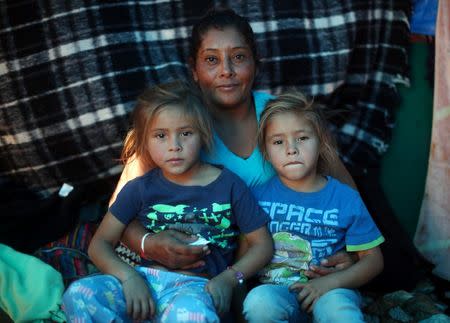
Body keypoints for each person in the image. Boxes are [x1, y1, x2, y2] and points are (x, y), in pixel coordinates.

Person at [114, 6, 356, 279]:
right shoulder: (177, 125)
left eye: (238, 57)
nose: (226, 71)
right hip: (200, 271)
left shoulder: (282, 117)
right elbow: (119, 212)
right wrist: (149, 244)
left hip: (284, 269)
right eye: (211, 60)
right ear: (194, 69)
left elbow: (347, 196)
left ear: (256, 63)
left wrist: (351, 250)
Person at [62, 81, 274, 322]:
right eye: (161, 136)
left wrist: (230, 278)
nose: (174, 146)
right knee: (79, 294)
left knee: (193, 317)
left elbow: (262, 245)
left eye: (185, 133)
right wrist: (129, 278)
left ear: (203, 134)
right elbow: (99, 243)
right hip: (140, 283)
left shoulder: (229, 186)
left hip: (195, 289)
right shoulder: (140, 188)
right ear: (145, 141)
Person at [243, 91, 384, 322]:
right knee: (259, 301)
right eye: (279, 142)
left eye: (302, 138)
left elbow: (374, 260)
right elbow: (243, 256)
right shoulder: (256, 198)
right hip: (279, 292)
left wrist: (331, 282)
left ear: (321, 143)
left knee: (337, 309)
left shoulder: (345, 198)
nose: (291, 149)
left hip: (332, 291)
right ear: (266, 152)